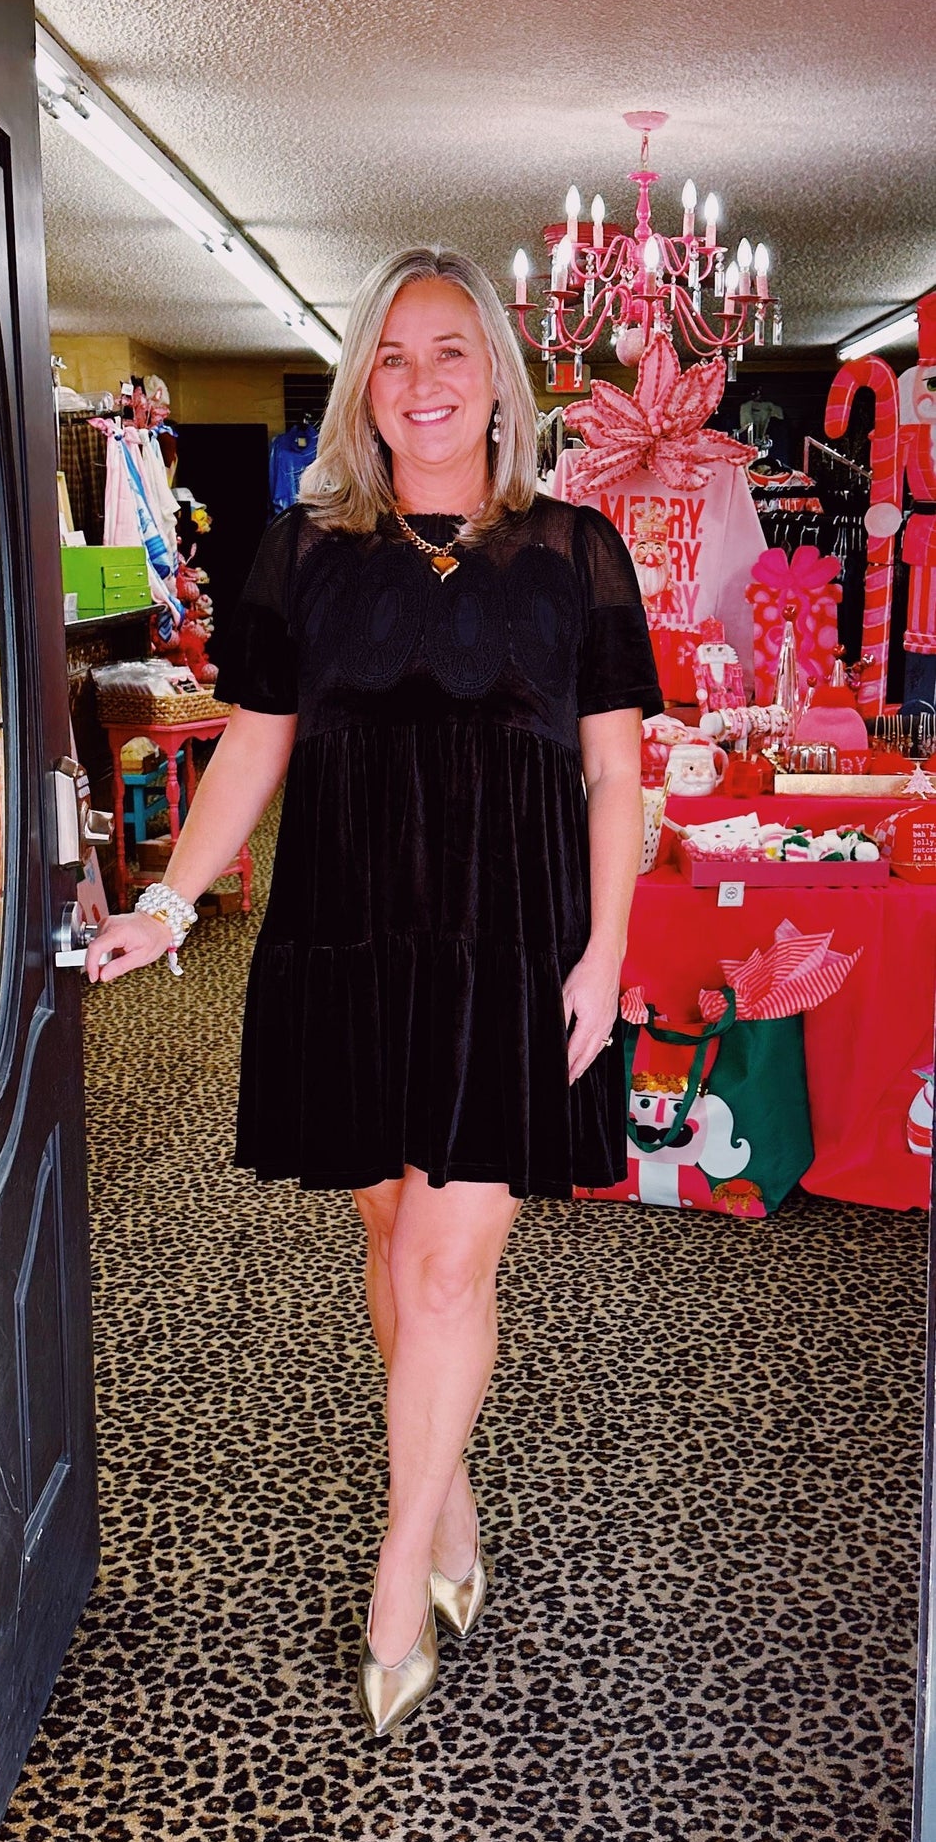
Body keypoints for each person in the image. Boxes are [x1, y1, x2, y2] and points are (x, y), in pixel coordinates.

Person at [86, 246, 662, 1737]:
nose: (420, 382)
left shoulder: (577, 550)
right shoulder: (303, 552)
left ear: (497, 380)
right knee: (393, 1230)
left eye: (450, 353)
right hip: (347, 930)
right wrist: (162, 897)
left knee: (451, 1265)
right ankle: (452, 1497)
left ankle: (401, 1566)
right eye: (392, 356)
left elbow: (613, 771)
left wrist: (602, 950)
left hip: (512, 942)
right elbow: (255, 746)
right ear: (363, 383)